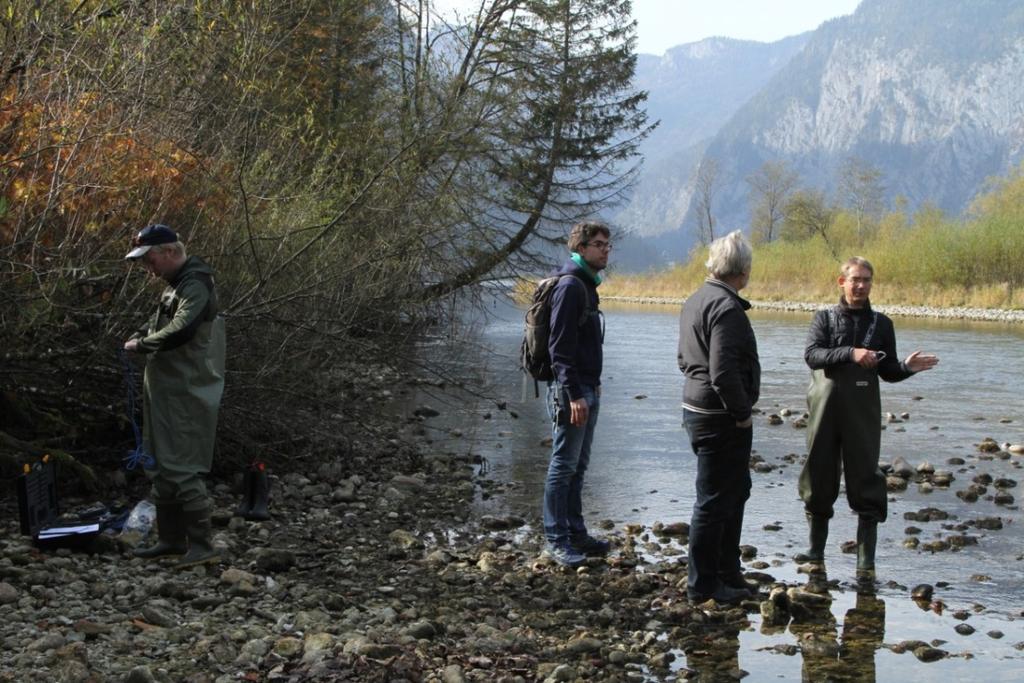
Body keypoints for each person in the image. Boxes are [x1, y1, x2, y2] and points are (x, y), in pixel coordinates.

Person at [797, 256, 939, 580]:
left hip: (862, 414)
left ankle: (865, 565)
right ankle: (815, 556)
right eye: (855, 279)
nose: (861, 286)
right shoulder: (825, 319)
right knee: (818, 477)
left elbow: (887, 372)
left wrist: (906, 368)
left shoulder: (882, 324)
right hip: (824, 413)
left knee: (866, 481)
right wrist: (850, 352)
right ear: (841, 282)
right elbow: (812, 356)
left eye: (867, 280)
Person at [123, 224, 227, 567]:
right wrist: (142, 333)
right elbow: (163, 324)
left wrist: (143, 344)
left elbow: (182, 329)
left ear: (169, 252)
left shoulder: (195, 283)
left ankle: (201, 545)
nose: (148, 269)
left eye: (150, 260)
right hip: (167, 390)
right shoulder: (177, 284)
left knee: (182, 467)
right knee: (161, 465)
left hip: (187, 391)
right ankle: (170, 540)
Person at [677, 230, 760, 604]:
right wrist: (742, 415)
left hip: (696, 409)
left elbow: (684, 359)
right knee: (713, 500)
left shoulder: (695, 300)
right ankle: (703, 585)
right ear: (742, 272)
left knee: (734, 491)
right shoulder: (726, 308)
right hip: (719, 416)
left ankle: (728, 571)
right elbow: (723, 372)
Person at [542, 221, 612, 567]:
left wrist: (592, 384)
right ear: (580, 248)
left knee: (578, 467)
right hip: (572, 391)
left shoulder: (586, 284)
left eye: (608, 245)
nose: (605, 250)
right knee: (563, 465)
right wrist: (573, 394)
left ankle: (576, 532)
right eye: (598, 244)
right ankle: (556, 539)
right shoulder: (571, 286)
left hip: (586, 387)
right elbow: (558, 348)